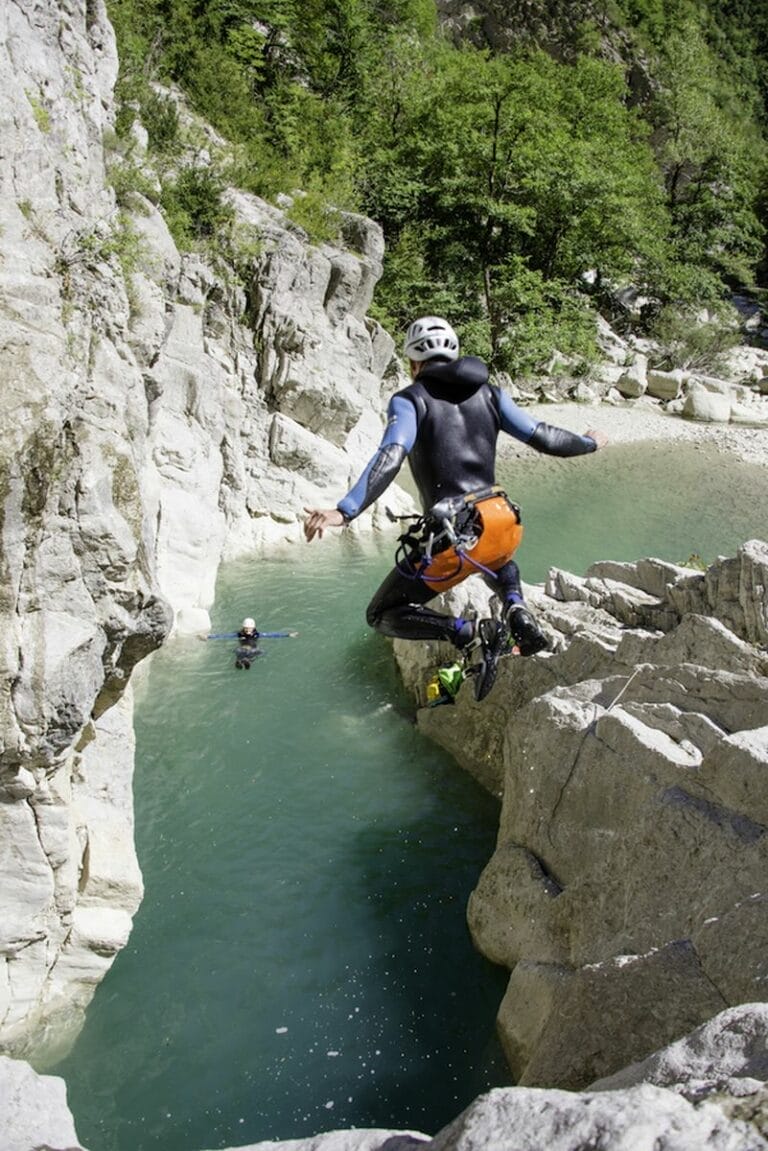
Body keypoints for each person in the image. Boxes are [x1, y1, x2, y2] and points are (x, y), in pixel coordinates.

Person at [304, 316, 607, 699]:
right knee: (496, 559)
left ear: (414, 363)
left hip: (455, 536)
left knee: (382, 613)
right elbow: (543, 436)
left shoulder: (410, 399)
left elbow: (392, 454)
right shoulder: (491, 394)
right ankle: (515, 607)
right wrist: (590, 442)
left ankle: (466, 633)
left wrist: (344, 511)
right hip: (503, 522)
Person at [206, 617, 298, 669]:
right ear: (243, 628)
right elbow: (224, 636)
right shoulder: (239, 634)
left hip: (253, 649)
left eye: (249, 628)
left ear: (253, 628)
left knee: (256, 652)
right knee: (240, 651)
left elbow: (272, 635)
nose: (248, 630)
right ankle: (239, 662)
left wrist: (287, 635)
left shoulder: (257, 635)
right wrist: (208, 636)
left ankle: (247, 662)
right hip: (242, 648)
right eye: (246, 628)